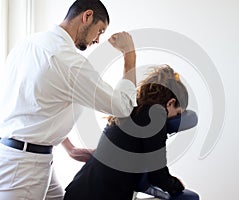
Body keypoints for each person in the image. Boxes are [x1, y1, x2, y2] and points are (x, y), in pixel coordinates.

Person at [0, 0, 137, 199]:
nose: (97, 40)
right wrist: (130, 54)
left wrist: (70, 148)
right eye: (100, 31)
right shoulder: (68, 61)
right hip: (25, 168)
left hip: (18, 155)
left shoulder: (28, 43)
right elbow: (123, 107)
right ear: (87, 16)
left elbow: (38, 106)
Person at [63, 65, 199, 200]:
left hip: (81, 188)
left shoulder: (133, 108)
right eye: (177, 113)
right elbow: (157, 174)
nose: (174, 118)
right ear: (171, 103)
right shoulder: (156, 115)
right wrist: (176, 185)